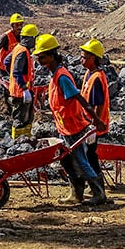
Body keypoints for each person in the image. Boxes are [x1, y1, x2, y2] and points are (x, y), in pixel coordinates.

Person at [33, 34, 109, 206]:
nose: (39, 60)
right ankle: (77, 193)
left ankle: (98, 192)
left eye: (41, 57)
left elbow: (80, 98)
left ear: (51, 56)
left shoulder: (62, 76)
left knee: (81, 161)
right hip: (65, 126)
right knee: (67, 160)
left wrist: (95, 121)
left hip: (74, 126)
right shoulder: (55, 74)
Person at [68, 38, 109, 203]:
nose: (81, 59)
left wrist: (93, 126)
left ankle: (99, 193)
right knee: (87, 156)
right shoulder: (89, 74)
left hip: (93, 126)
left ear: (93, 58)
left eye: (84, 57)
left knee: (90, 157)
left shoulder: (97, 77)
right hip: (87, 123)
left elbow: (98, 104)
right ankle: (89, 191)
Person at [7, 23, 39, 139]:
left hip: (20, 89)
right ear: (30, 38)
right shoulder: (22, 52)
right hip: (21, 92)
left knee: (27, 117)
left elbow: (7, 62)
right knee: (20, 118)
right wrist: (24, 89)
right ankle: (18, 143)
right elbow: (16, 71)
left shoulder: (18, 48)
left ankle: (26, 140)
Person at [0, 13, 25, 80]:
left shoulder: (22, 35)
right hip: (3, 65)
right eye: (17, 25)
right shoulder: (5, 36)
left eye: (21, 24)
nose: (19, 27)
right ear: (12, 25)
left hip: (13, 64)